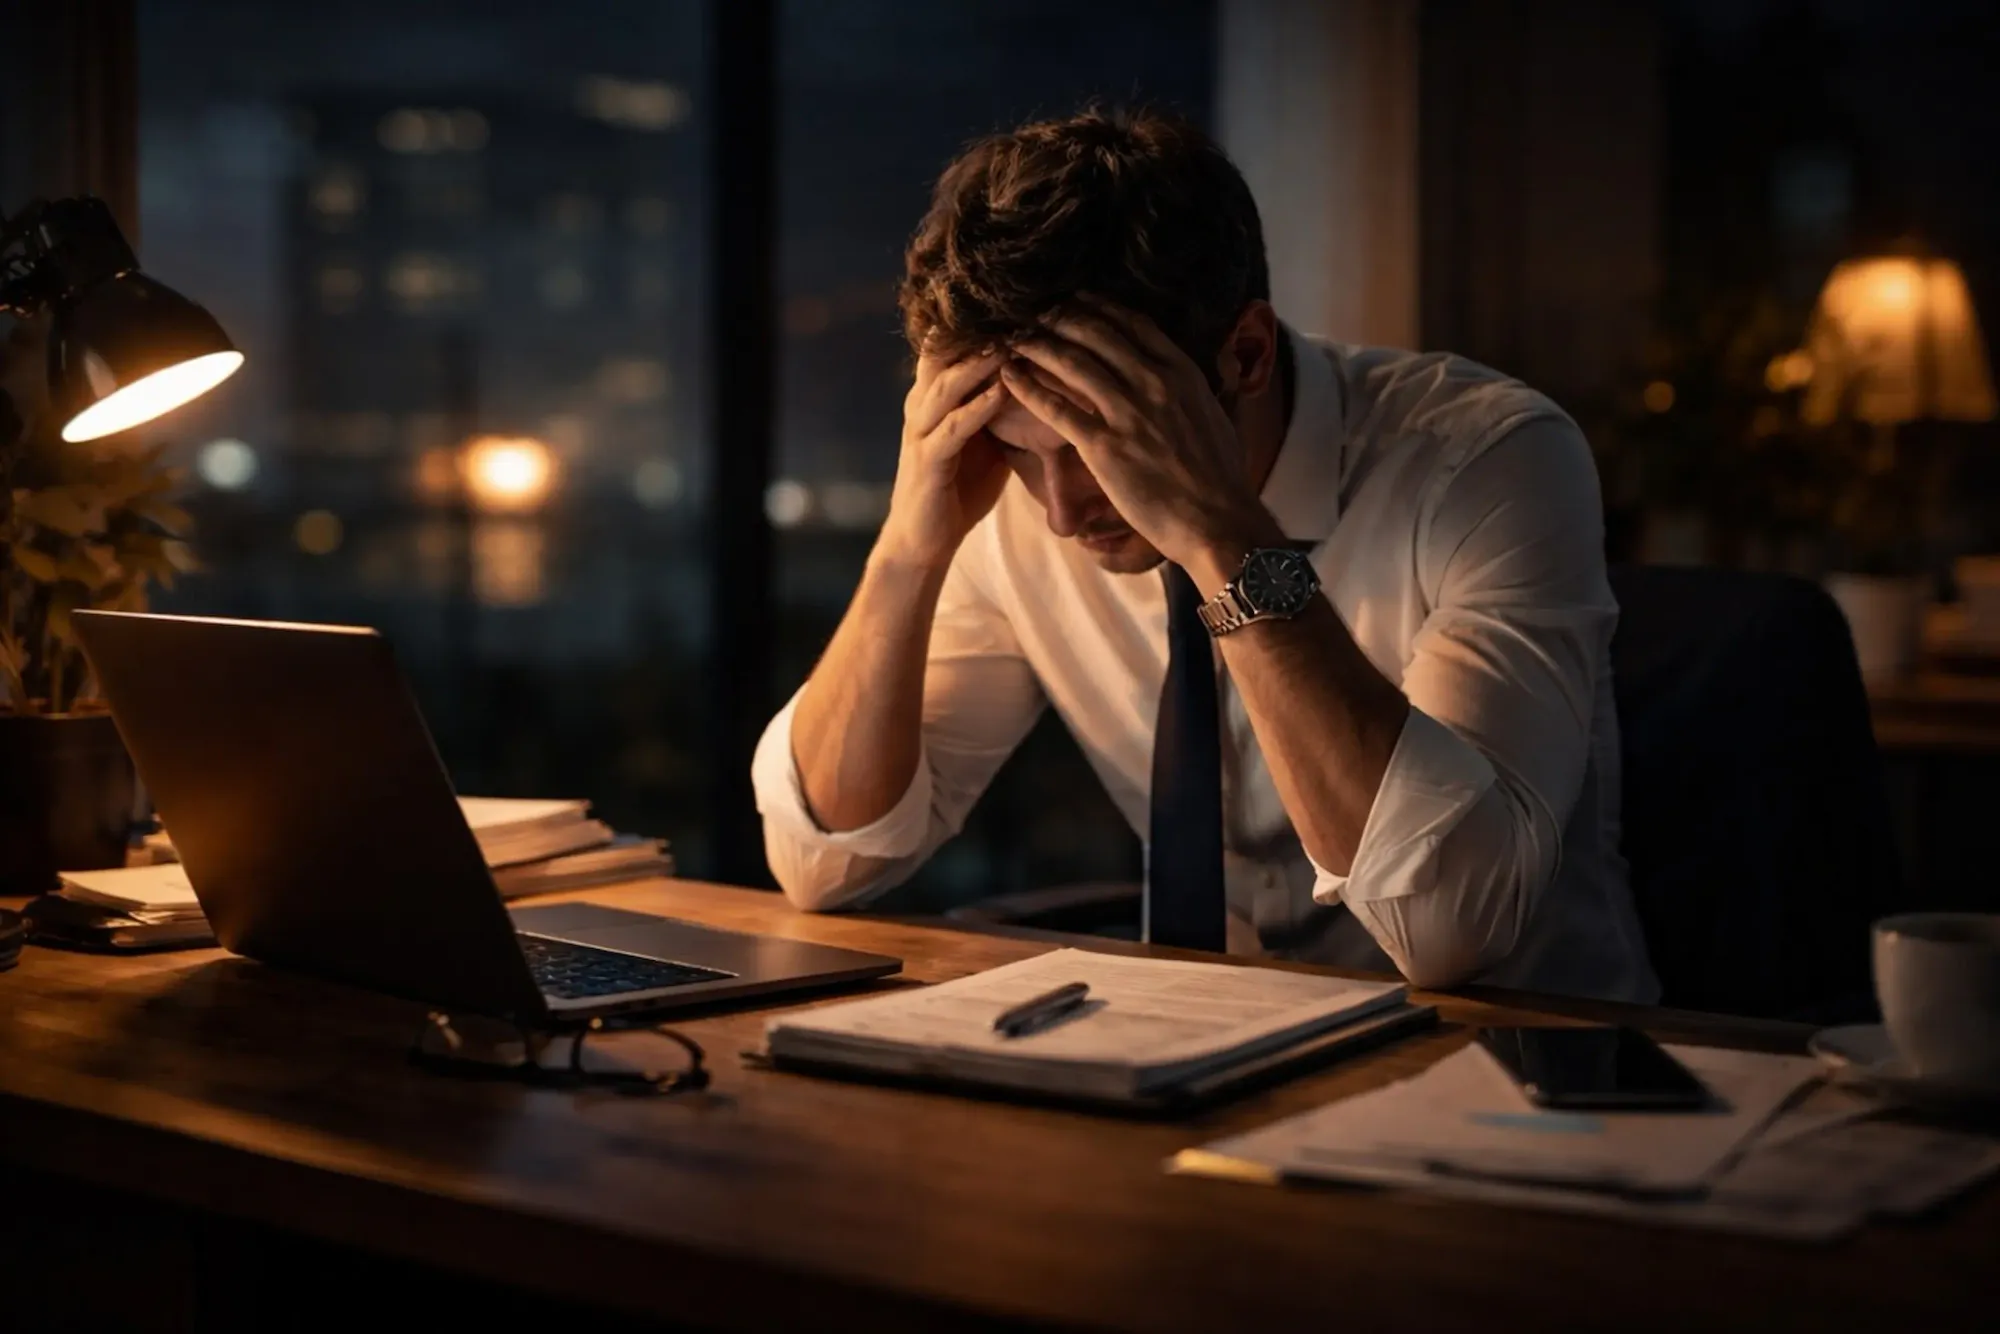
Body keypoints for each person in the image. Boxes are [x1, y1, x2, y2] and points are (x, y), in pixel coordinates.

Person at [751, 107, 1655, 1000]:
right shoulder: (1007, 503)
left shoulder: (1489, 458)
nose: (1061, 512)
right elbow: (827, 860)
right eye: (1023, 451)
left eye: (1101, 442)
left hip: (1524, 1070)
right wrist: (911, 546)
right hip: (1201, 1052)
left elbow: (1451, 927)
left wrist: (1223, 536)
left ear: (1247, 353)